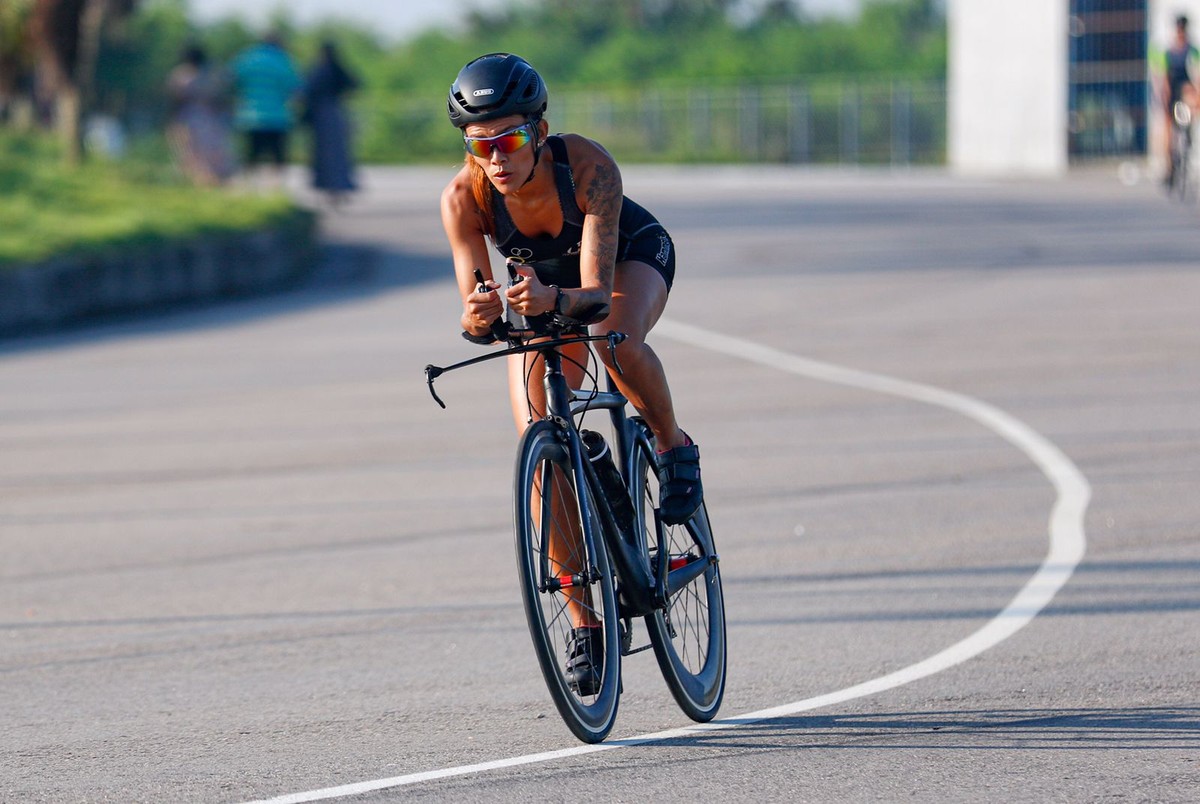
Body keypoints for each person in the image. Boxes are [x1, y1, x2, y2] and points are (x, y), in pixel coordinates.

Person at [439, 53, 703, 692]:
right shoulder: (463, 199)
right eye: (482, 145)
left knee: (614, 338)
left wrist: (549, 303)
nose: (497, 158)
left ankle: (672, 444)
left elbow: (591, 293)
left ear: (540, 129)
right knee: (536, 438)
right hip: (548, 290)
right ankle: (587, 624)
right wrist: (479, 313)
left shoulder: (588, 168)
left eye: (512, 139)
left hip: (623, 262)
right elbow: (478, 321)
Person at [229, 32, 301, 187]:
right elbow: (295, 88)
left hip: (250, 115)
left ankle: (247, 187)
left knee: (251, 156)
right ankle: (277, 190)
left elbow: (232, 81)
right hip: (278, 117)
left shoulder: (246, 58)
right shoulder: (284, 60)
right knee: (278, 158)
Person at [165, 44, 235, 186]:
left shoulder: (180, 75)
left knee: (190, 154)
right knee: (211, 155)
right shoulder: (211, 75)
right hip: (210, 119)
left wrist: (172, 122)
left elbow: (174, 101)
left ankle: (200, 183)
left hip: (187, 117)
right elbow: (221, 99)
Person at [301, 41, 359, 207]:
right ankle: (338, 189)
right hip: (336, 113)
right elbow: (355, 83)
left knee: (324, 155)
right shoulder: (338, 68)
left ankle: (328, 189)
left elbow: (307, 90)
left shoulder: (318, 70)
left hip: (322, 116)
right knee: (338, 154)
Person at [1154, 14, 1199, 186]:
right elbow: (1163, 78)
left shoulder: (1192, 51)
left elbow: (1197, 75)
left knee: (1190, 102)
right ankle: (1170, 166)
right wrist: (1163, 95)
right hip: (1172, 91)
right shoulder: (1169, 52)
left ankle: (1188, 135)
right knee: (1167, 128)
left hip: (1186, 90)